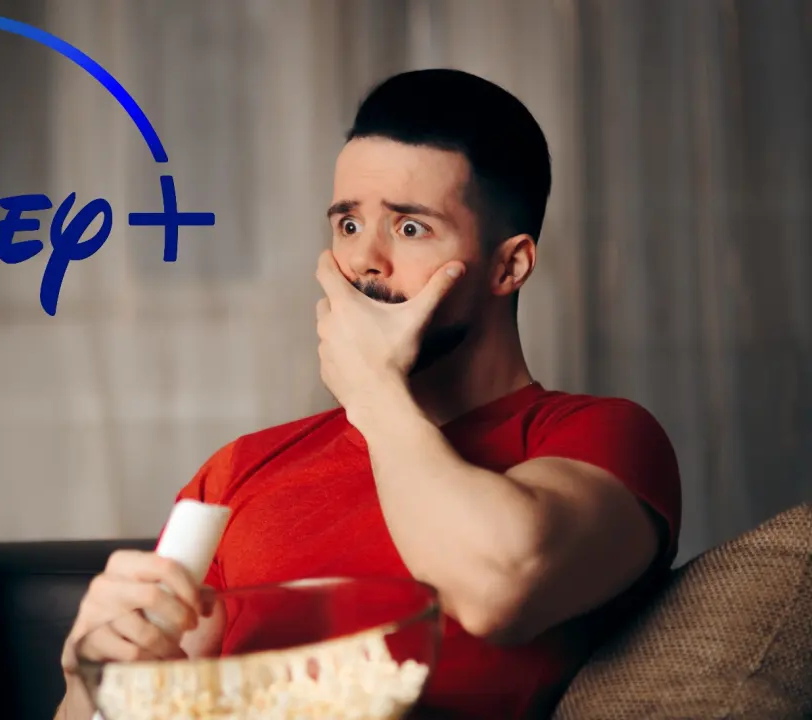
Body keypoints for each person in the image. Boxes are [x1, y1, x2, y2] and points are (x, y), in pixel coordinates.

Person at [54, 68, 681, 719]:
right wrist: (87, 684)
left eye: (410, 229)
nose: (363, 262)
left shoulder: (598, 436)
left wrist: (372, 388)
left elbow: (499, 588)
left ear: (509, 265)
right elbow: (132, 704)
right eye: (349, 225)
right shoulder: (240, 470)